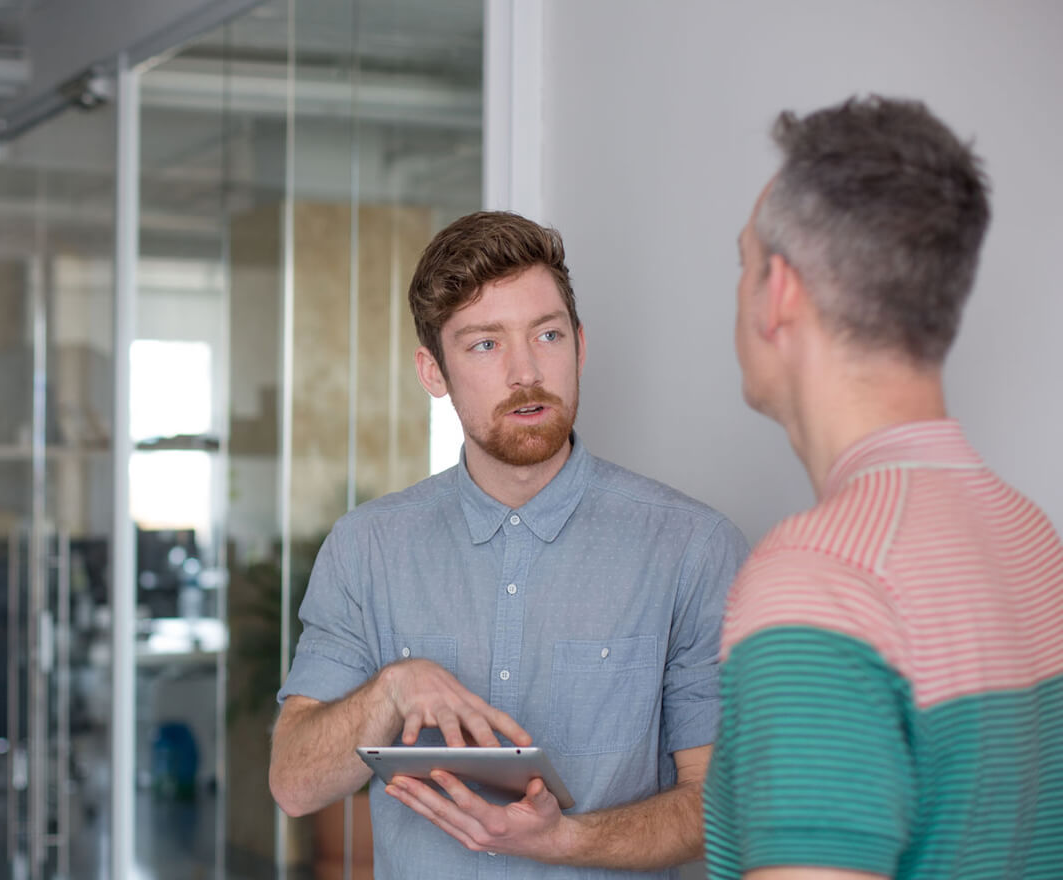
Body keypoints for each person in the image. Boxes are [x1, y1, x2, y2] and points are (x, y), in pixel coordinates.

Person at [269, 210, 749, 878]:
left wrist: (565, 841)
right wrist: (390, 694)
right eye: (484, 345)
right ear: (432, 370)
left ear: (579, 345)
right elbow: (294, 783)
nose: (526, 371)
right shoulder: (365, 549)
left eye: (546, 334)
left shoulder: (694, 548)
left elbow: (718, 805)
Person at [705, 95, 1063, 879]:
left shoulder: (817, 579)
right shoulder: (1033, 539)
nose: (739, 288)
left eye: (744, 262)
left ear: (780, 294)